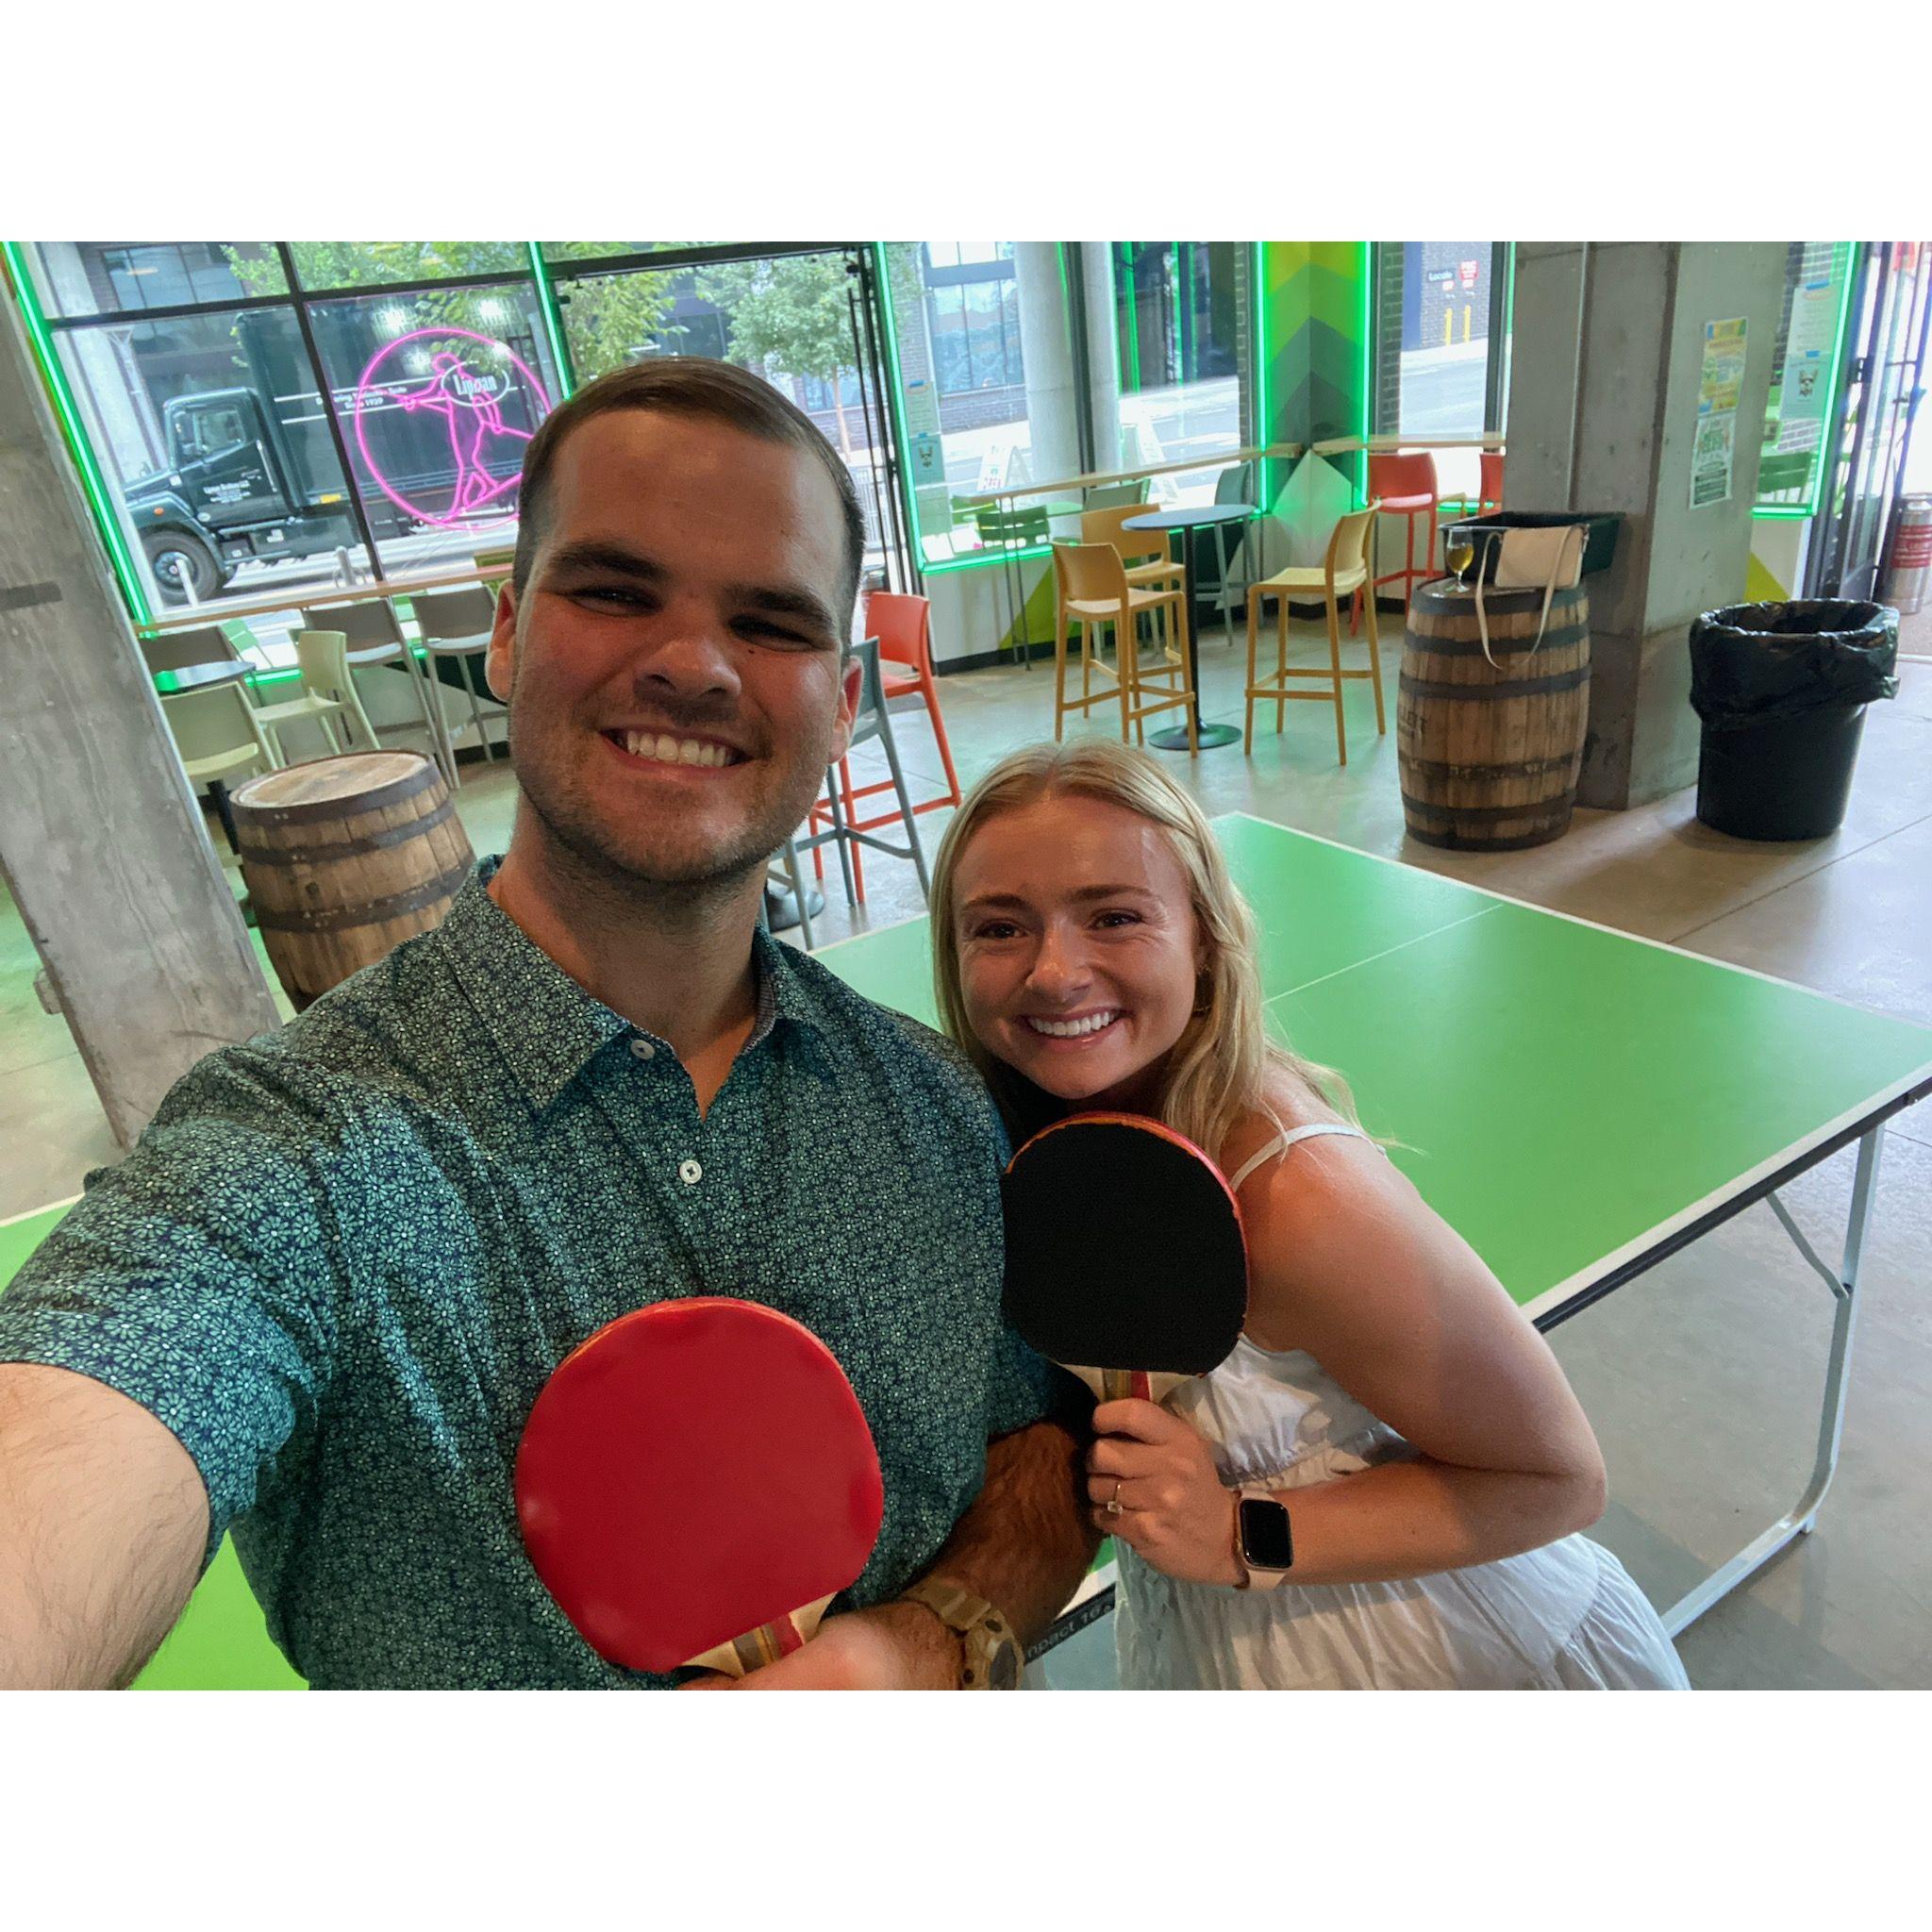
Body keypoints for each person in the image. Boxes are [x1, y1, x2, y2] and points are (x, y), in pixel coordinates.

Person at [0, 358, 1094, 1691]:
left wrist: (921, 1644)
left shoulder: (933, 1101)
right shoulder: (290, 1161)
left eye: (770, 621)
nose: (692, 663)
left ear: (842, 703)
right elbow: (74, 1441)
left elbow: (1036, 1449)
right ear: (509, 634)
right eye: (616, 591)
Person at [930, 739, 1690, 1690]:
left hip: (1448, 1657)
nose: (1054, 972)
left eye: (1114, 916)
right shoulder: (1033, 1139)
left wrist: (1234, 1530)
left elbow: (1559, 1479)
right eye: (999, 927)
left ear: (1206, 940)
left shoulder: (1298, 1199)